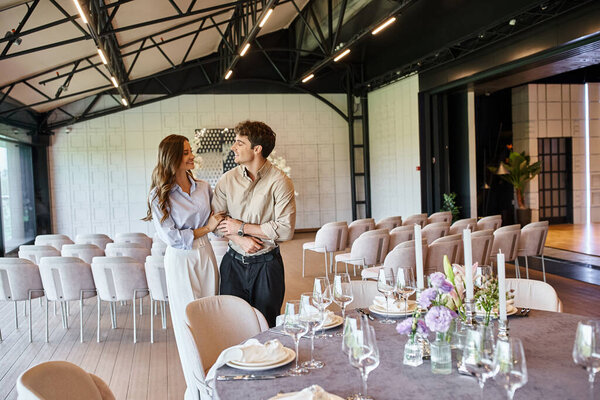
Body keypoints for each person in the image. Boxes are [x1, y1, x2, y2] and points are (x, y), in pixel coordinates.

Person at [143, 134, 223, 400]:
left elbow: (218, 222)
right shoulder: (158, 194)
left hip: (206, 255)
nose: (191, 156)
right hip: (180, 261)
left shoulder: (203, 187)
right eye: (186, 152)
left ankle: (214, 382)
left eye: (191, 151)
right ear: (172, 157)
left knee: (211, 316)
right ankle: (197, 388)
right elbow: (174, 238)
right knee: (189, 322)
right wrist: (207, 228)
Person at [212, 121, 296, 327]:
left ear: (257, 149)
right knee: (232, 325)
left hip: (267, 266)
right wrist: (239, 239)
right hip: (232, 265)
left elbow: (285, 230)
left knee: (267, 326)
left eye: (239, 143)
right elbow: (215, 221)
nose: (233, 147)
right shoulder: (227, 180)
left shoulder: (280, 181)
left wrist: (241, 227)